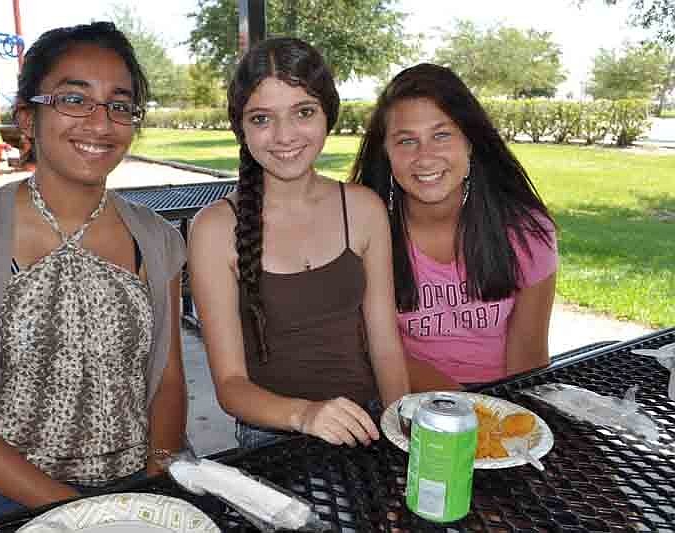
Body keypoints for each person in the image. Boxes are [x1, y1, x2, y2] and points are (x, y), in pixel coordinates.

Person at [0, 21, 187, 524]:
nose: (100, 123)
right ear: (28, 120)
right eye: (73, 100)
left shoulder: (158, 239)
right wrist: (81, 515)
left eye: (119, 105)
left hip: (135, 480)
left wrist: (151, 487)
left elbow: (167, 382)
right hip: (5, 488)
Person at [188, 37, 410, 450]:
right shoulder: (214, 228)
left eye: (303, 112)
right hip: (272, 437)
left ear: (328, 114)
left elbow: (385, 346)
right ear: (241, 128)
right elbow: (231, 386)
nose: (284, 135)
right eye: (261, 119)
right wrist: (305, 415)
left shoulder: (362, 208)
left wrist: (400, 433)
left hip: (370, 423)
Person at [351, 63, 557, 388]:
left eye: (442, 135)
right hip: (407, 398)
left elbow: (528, 359)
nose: (425, 156)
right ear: (386, 152)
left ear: (470, 142)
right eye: (406, 141)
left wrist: (504, 421)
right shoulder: (362, 231)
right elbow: (368, 347)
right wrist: (462, 411)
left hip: (502, 403)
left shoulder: (526, 231)